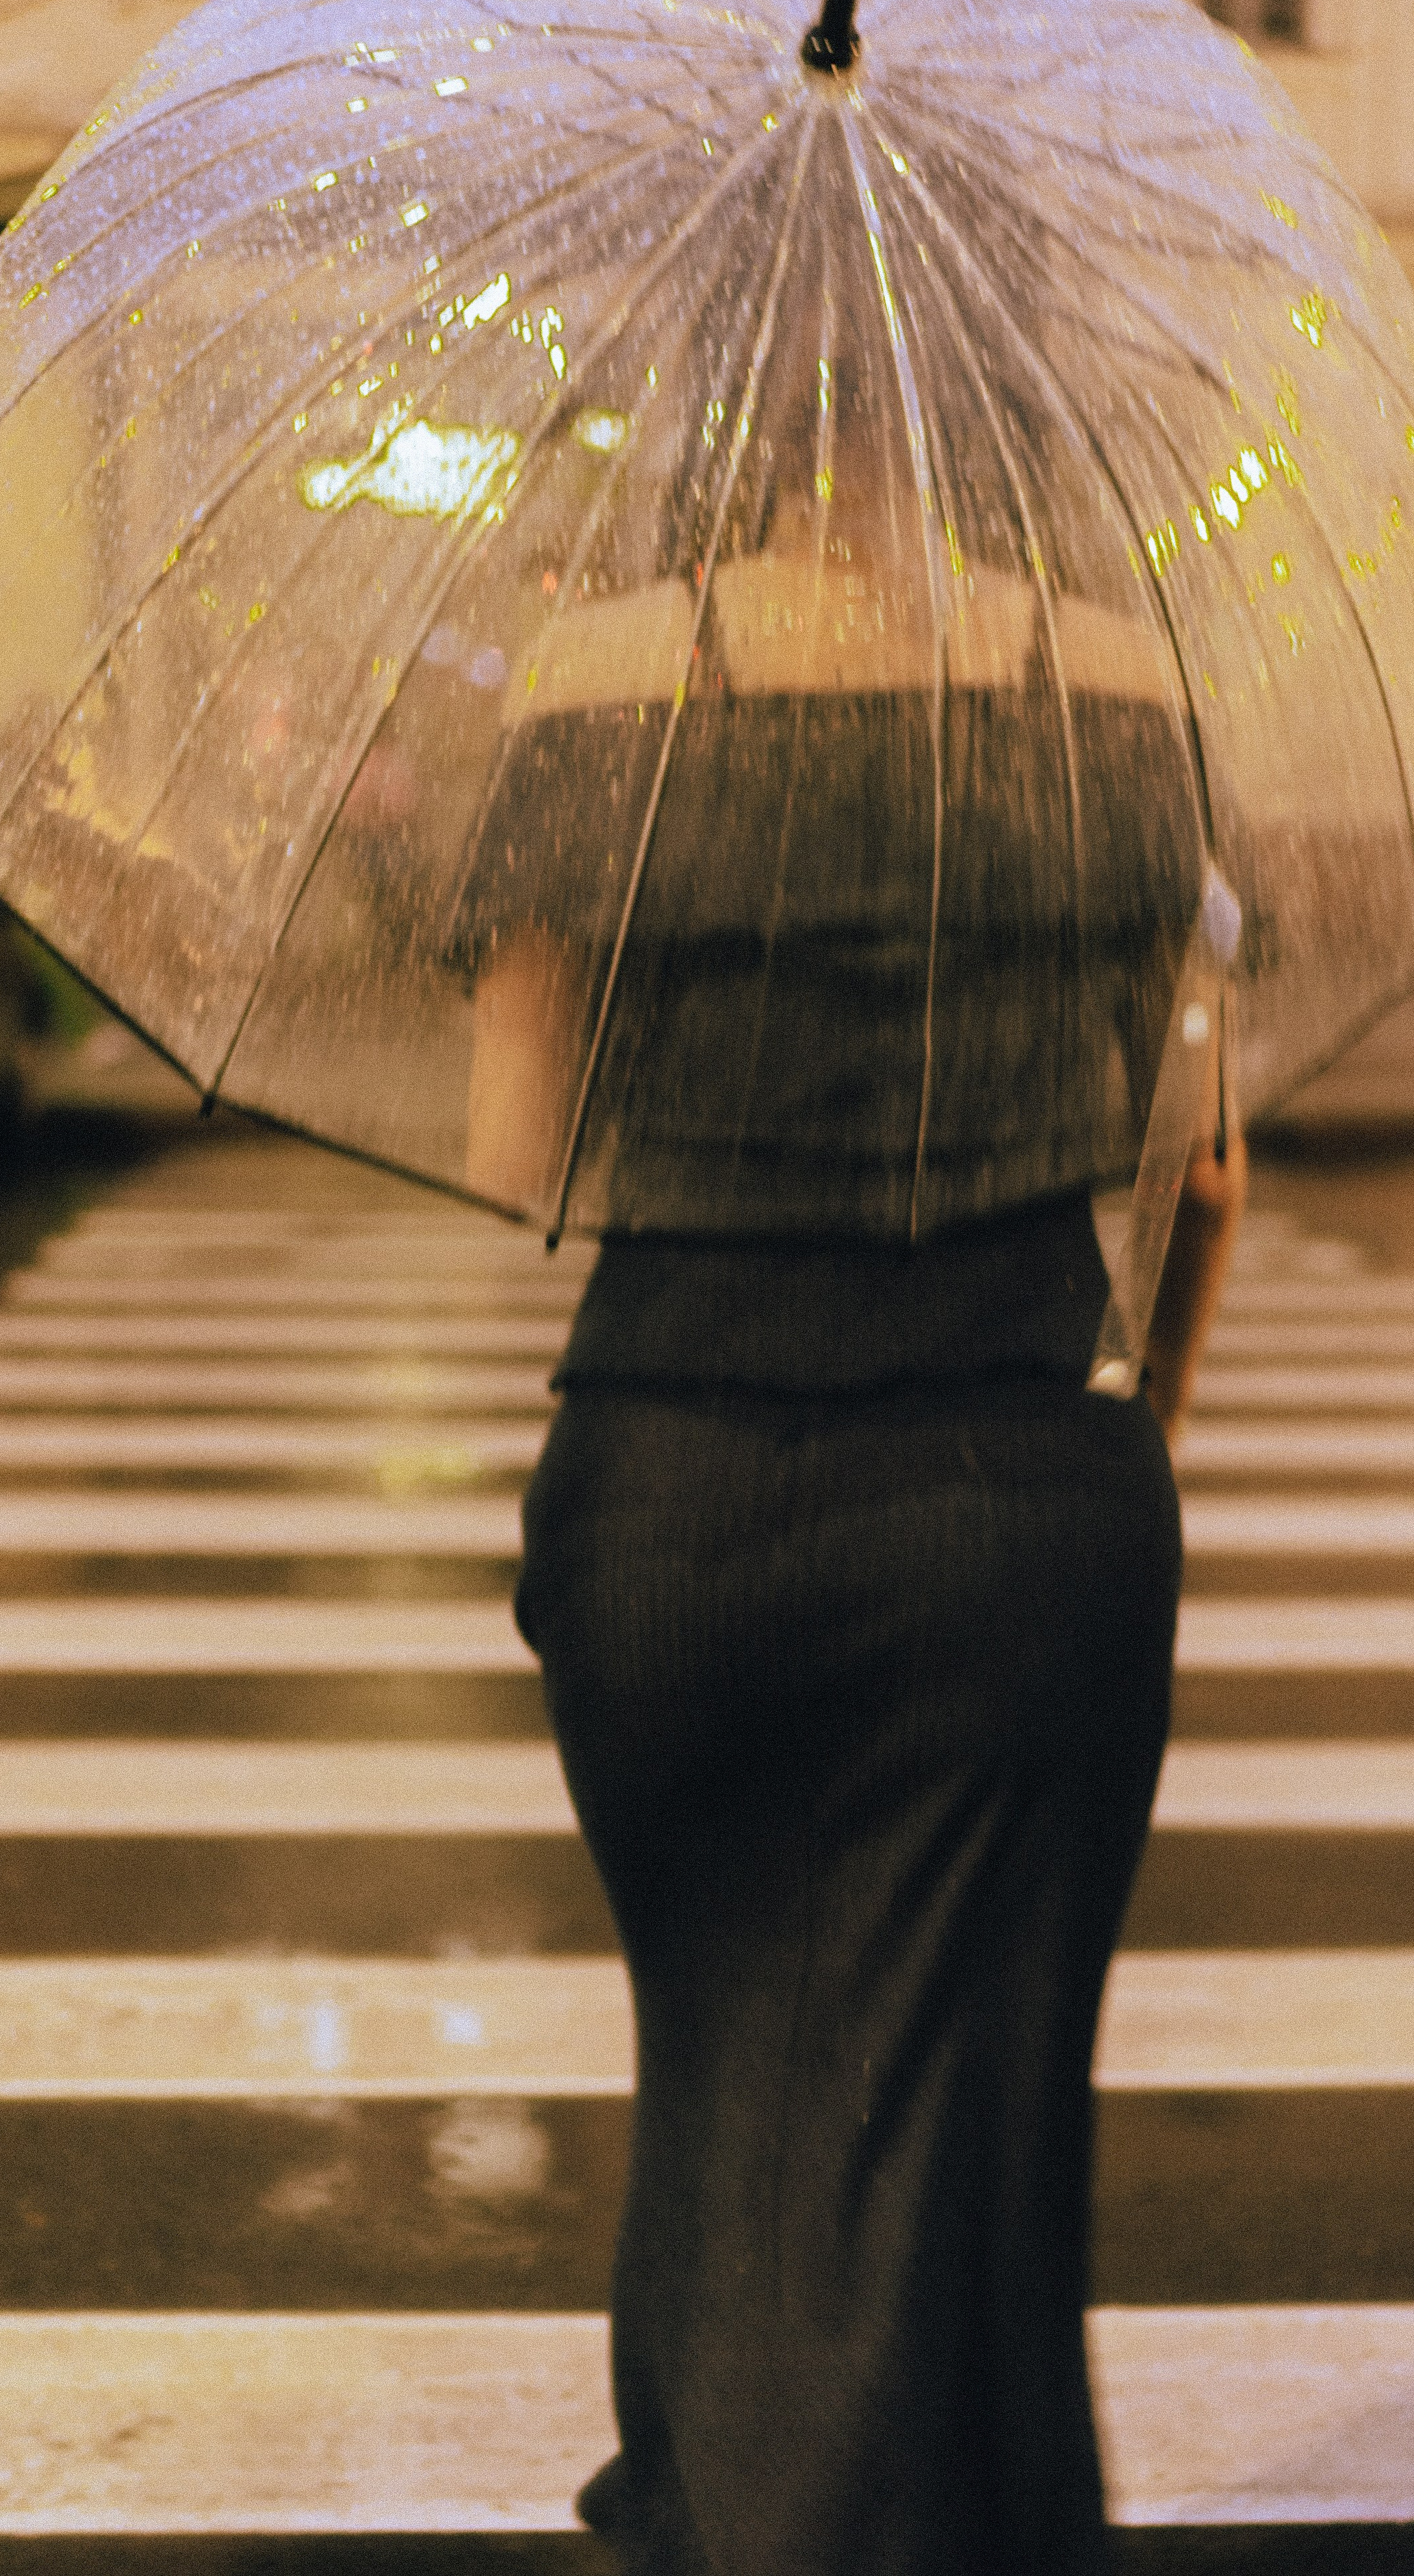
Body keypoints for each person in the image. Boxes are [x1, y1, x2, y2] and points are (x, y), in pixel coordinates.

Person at [504, 1064, 1242, 2573]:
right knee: (973, 2116)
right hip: (1018, 1467)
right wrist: (1140, 1401)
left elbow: (520, 1153)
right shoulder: (1118, 818)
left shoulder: (597, 817)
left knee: (718, 2057)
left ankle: (713, 2493)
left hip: (671, 1473)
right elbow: (1203, 1170)